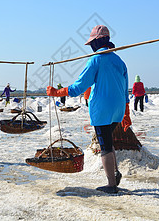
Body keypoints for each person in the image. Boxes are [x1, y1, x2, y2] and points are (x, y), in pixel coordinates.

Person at [47, 25, 130, 194]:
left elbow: (79, 87)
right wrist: (126, 112)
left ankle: (111, 185)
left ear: (97, 42)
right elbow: (125, 88)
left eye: (92, 43)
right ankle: (115, 172)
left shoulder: (95, 60)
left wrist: (57, 92)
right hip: (117, 110)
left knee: (105, 146)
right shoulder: (119, 61)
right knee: (108, 141)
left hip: (102, 110)